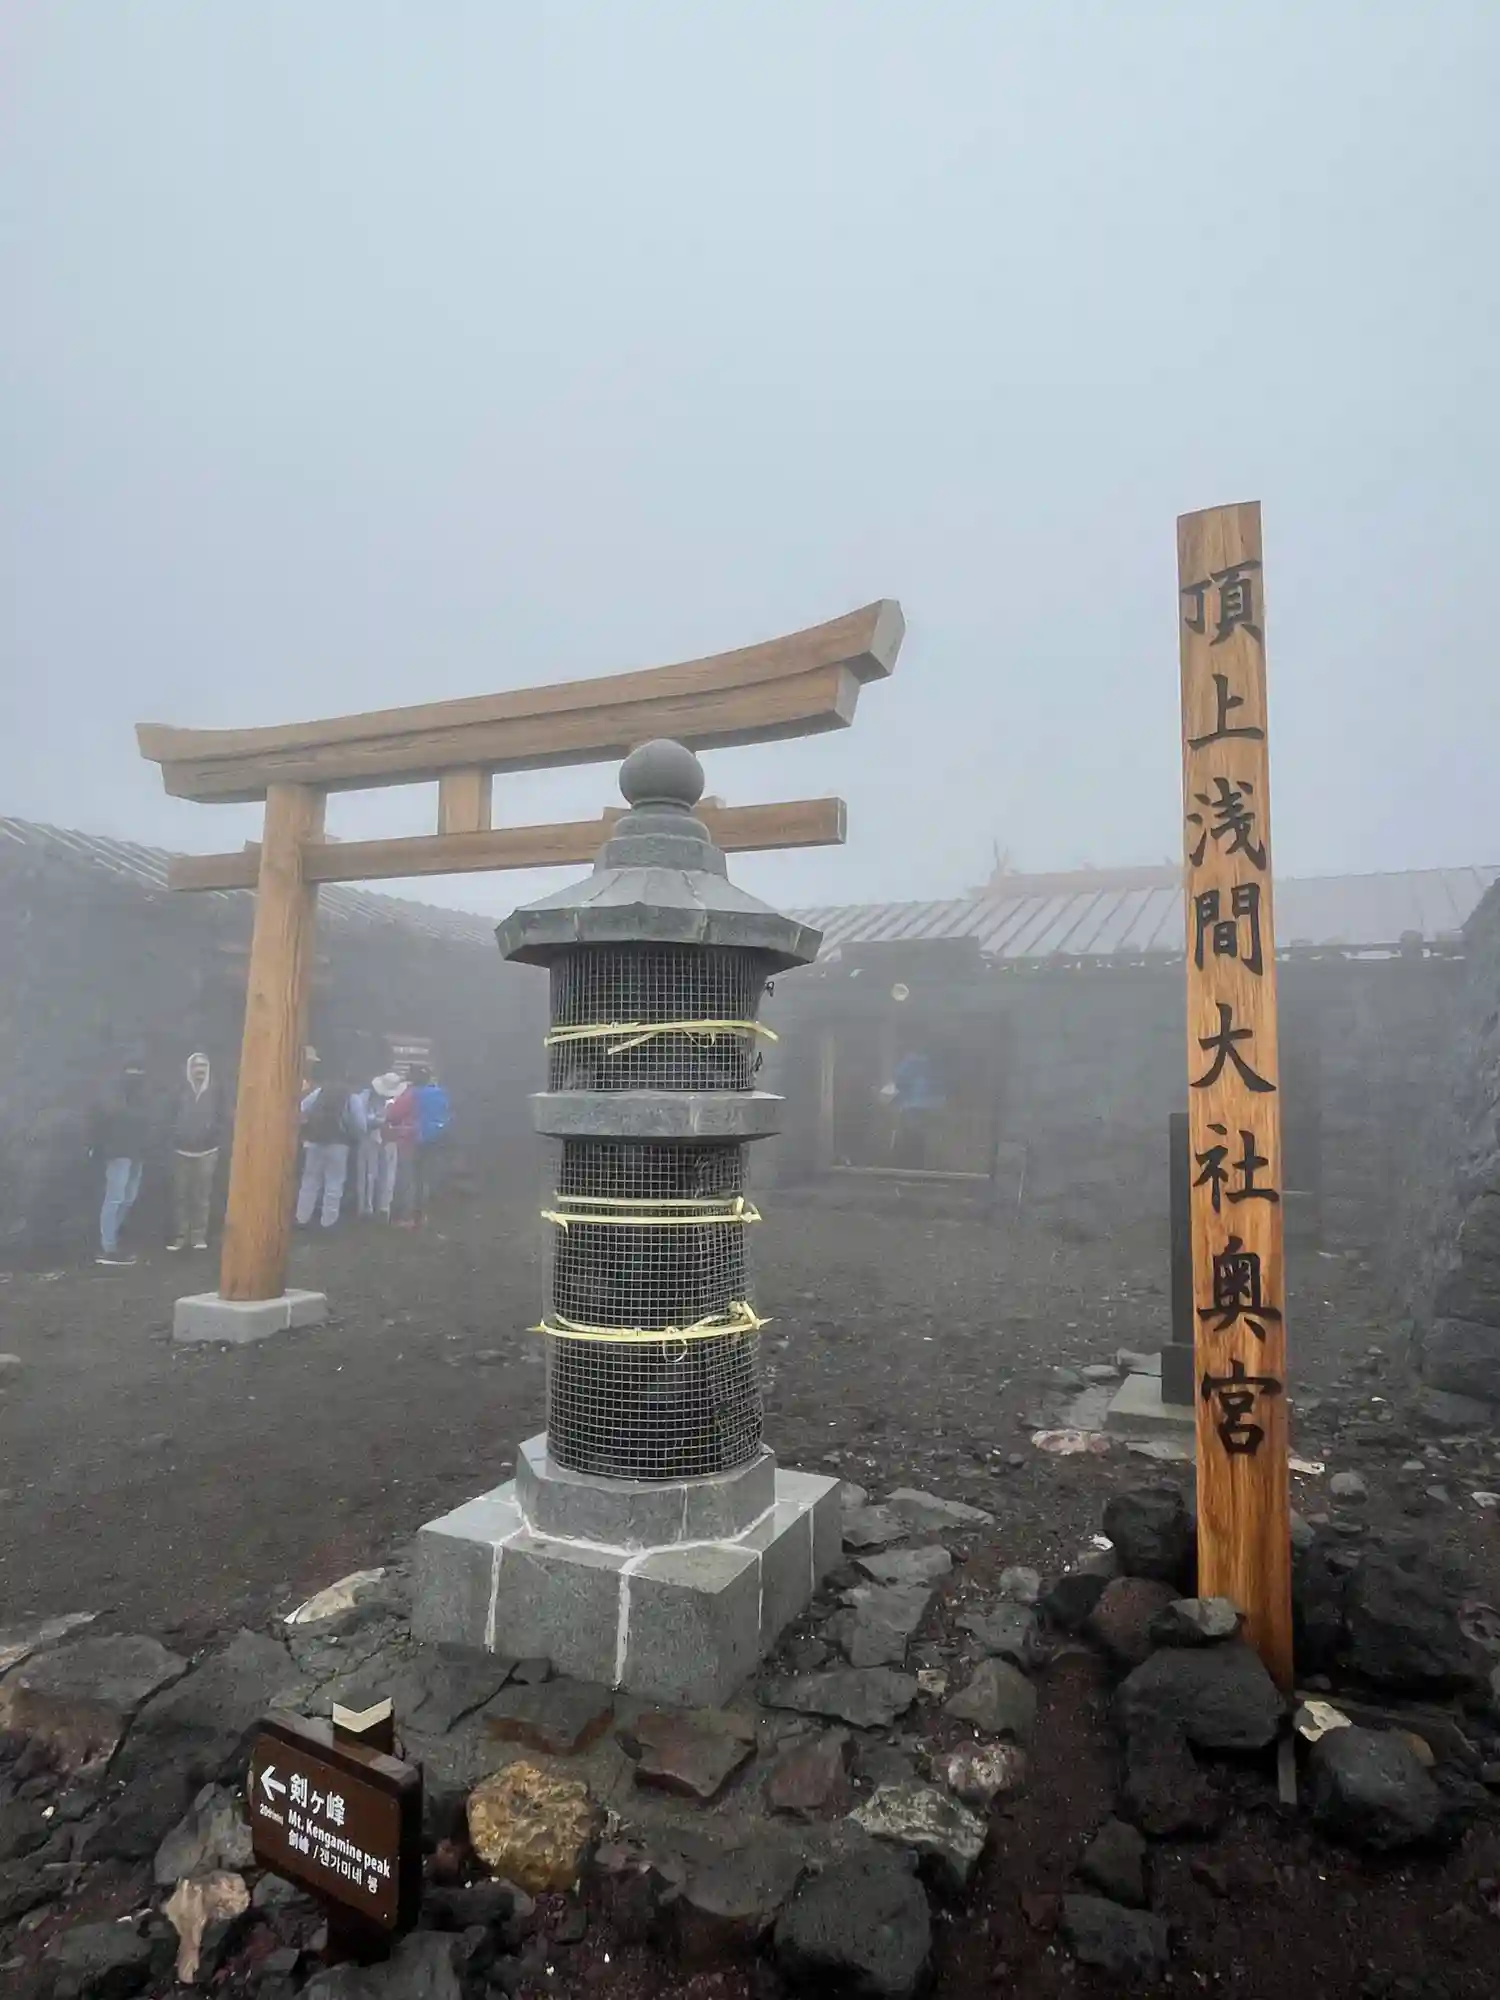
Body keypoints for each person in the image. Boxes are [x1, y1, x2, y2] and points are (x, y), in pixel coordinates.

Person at [90, 1064, 149, 1266]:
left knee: (127, 1198)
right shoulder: (111, 1096)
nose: (136, 1075)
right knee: (115, 1198)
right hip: (118, 1153)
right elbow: (101, 1123)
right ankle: (108, 1247)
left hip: (136, 1153)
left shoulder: (142, 1097)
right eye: (132, 1071)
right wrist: (98, 1147)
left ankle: (113, 1240)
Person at [167, 1052, 223, 1252]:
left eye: (203, 1065)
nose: (200, 1069)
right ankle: (180, 1236)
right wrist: (175, 1134)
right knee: (180, 1195)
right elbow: (169, 1115)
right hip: (181, 1151)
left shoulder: (216, 1090)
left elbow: (223, 1116)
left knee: (202, 1196)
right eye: (196, 1065)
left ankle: (199, 1236)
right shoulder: (179, 1089)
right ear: (189, 1068)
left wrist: (214, 1133)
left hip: (207, 1151)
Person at [295, 1075, 362, 1229]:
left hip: (315, 1141)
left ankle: (302, 1217)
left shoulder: (320, 1091)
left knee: (309, 1181)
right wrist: (355, 1136)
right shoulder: (352, 1097)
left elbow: (302, 1108)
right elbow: (360, 1124)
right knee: (334, 1183)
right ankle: (328, 1221)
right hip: (339, 1144)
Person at [356, 1074, 404, 1219]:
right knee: (370, 1174)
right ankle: (367, 1207)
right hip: (372, 1137)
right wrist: (380, 1120)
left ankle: (382, 1207)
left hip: (387, 1138)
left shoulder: (395, 1099)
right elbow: (361, 1118)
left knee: (387, 1174)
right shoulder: (365, 1097)